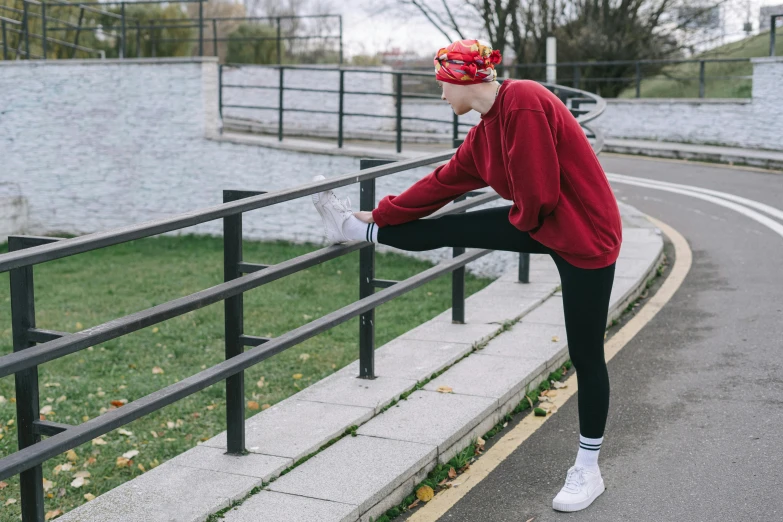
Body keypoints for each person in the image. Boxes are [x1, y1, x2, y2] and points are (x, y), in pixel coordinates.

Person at [311, 38, 622, 513]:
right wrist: (382, 212)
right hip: (539, 223)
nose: (441, 97)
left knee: (585, 352)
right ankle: (357, 228)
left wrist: (510, 226)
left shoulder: (526, 102)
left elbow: (538, 194)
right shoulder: (483, 134)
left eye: (442, 86)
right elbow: (441, 183)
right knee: (446, 226)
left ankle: (588, 469)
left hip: (585, 237)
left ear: (464, 80)